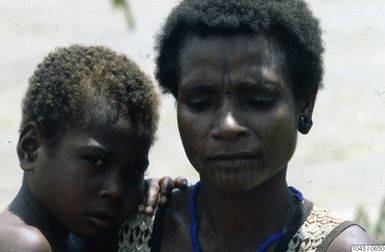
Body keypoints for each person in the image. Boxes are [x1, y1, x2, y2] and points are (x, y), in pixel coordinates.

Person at [118, 0, 377, 251]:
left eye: (258, 100)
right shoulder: (129, 226)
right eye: (200, 102)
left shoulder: (353, 247)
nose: (228, 126)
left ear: (305, 104)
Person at [0, 45, 186, 252]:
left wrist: (147, 197)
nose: (116, 190)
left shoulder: (71, 239)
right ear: (31, 149)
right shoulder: (24, 244)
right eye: (96, 161)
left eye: (133, 173)